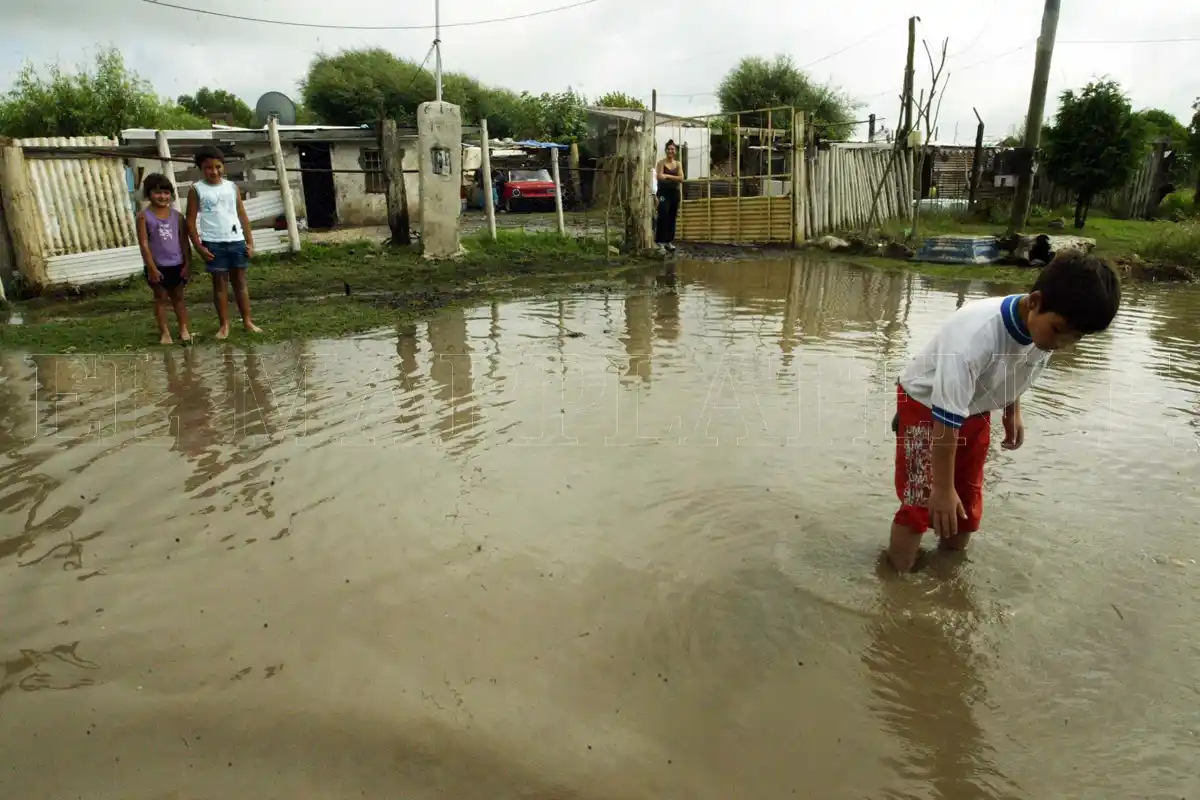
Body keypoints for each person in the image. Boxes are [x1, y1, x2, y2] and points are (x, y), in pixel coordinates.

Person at [887, 251, 1121, 573]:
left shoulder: (1045, 328)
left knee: (966, 503)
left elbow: (1017, 365)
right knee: (921, 500)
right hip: (926, 407)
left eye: (1076, 337)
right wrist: (941, 488)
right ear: (1035, 302)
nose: (1064, 343)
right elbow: (944, 418)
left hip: (975, 408)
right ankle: (896, 586)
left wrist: (1013, 408)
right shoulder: (974, 337)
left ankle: (946, 577)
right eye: (1060, 331)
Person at [186, 145, 259, 340]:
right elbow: (190, 221)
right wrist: (199, 247)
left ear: (223, 166)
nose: (214, 171)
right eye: (209, 167)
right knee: (220, 285)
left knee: (240, 283)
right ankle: (224, 325)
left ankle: (247, 321)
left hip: (236, 241)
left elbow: (242, 214)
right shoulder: (196, 189)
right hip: (213, 243)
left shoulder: (231, 187)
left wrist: (249, 242)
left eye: (218, 166)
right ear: (201, 168)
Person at [135, 173, 192, 345]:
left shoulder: (177, 216)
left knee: (179, 298)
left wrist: (188, 264)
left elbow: (184, 242)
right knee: (161, 298)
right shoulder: (143, 217)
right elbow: (144, 244)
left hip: (177, 264)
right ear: (149, 194)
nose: (162, 197)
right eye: (157, 193)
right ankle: (165, 333)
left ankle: (184, 329)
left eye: (166, 193)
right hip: (157, 266)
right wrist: (151, 267)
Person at [655, 140, 684, 252]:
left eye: (672, 149)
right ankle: (660, 241)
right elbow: (659, 177)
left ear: (675, 151)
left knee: (672, 217)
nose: (670, 151)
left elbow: (681, 179)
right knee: (663, 215)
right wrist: (672, 177)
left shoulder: (678, 164)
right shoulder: (661, 163)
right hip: (663, 194)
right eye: (668, 149)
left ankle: (668, 241)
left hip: (674, 194)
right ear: (666, 150)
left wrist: (667, 175)